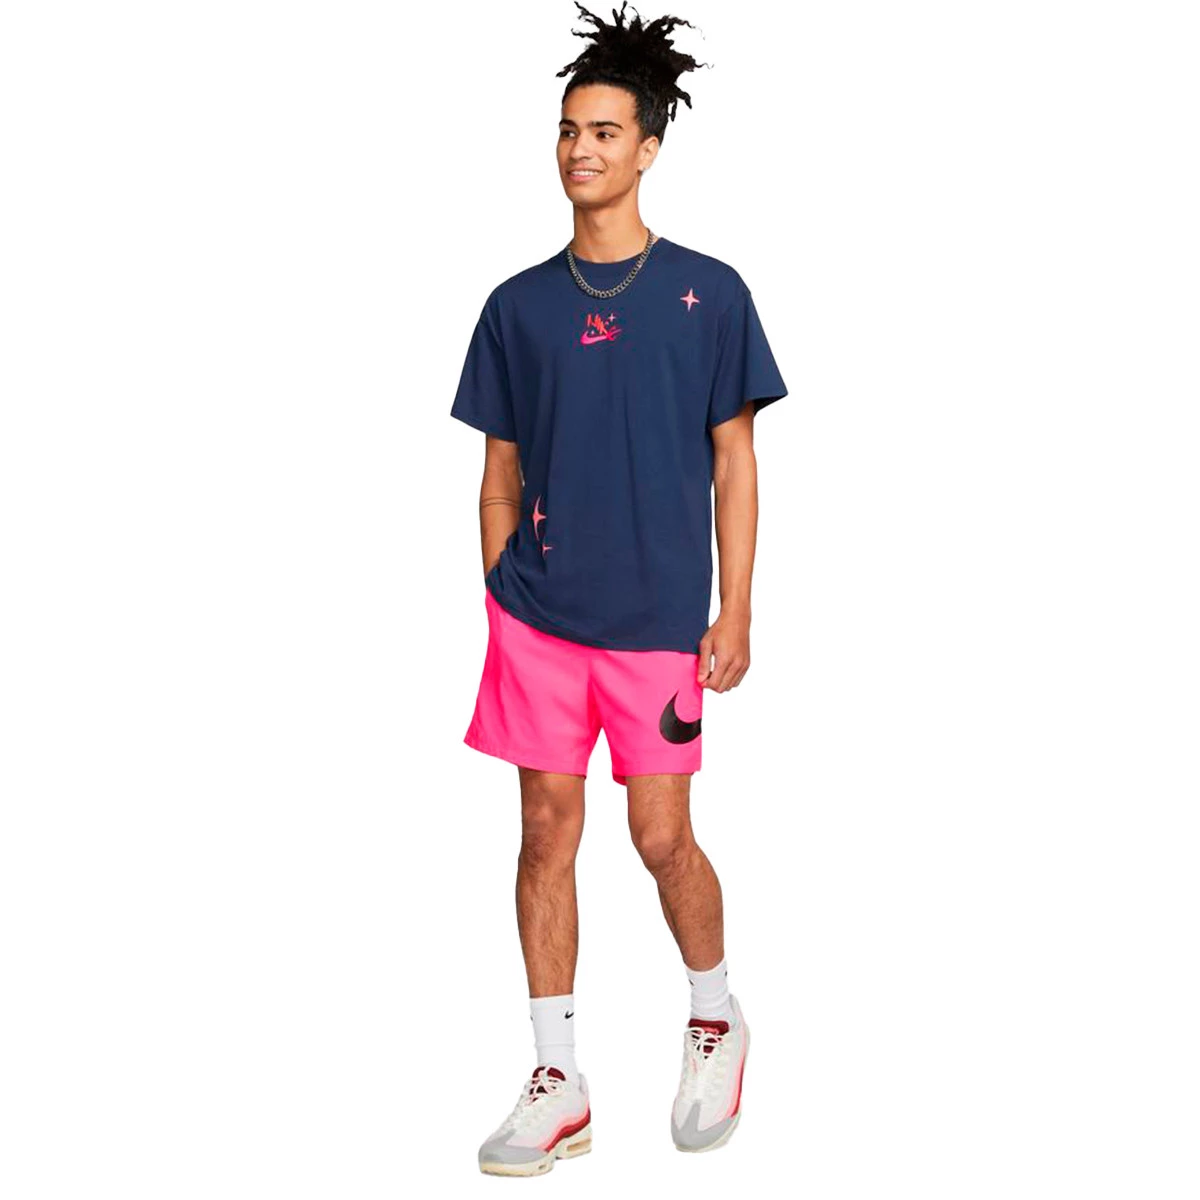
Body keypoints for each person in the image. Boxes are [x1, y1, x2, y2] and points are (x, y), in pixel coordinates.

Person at [449, 1, 788, 1176]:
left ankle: (715, 1017)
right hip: (539, 621)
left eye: (603, 132)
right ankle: (559, 1078)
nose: (580, 149)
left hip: (655, 624)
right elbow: (498, 468)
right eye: (567, 129)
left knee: (660, 836)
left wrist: (735, 608)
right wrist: (502, 584)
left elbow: (736, 458)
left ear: (647, 148)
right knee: (545, 830)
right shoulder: (516, 306)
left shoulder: (710, 292)